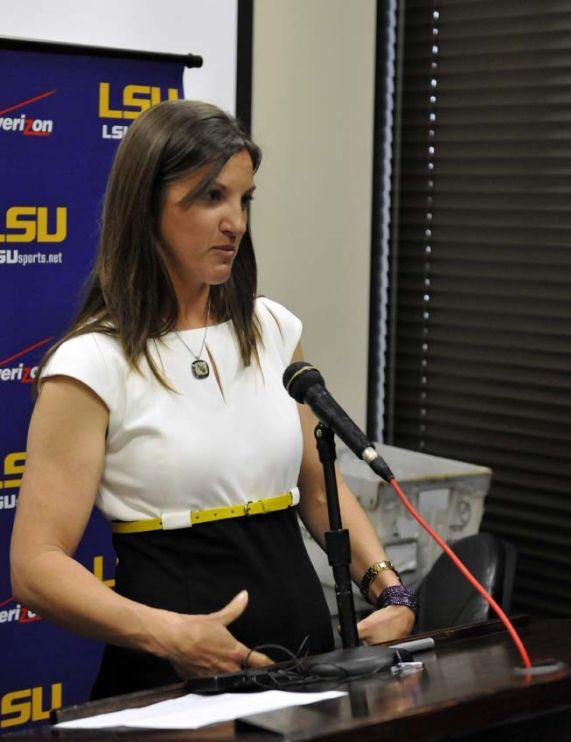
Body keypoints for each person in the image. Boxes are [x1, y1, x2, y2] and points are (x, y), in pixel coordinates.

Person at [10, 100, 416, 699]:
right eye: (211, 198)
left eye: (244, 199)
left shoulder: (273, 328)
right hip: (175, 676)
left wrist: (390, 590)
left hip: (305, 659)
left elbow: (316, 489)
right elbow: (35, 565)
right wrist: (168, 634)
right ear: (146, 207)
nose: (236, 222)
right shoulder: (91, 362)